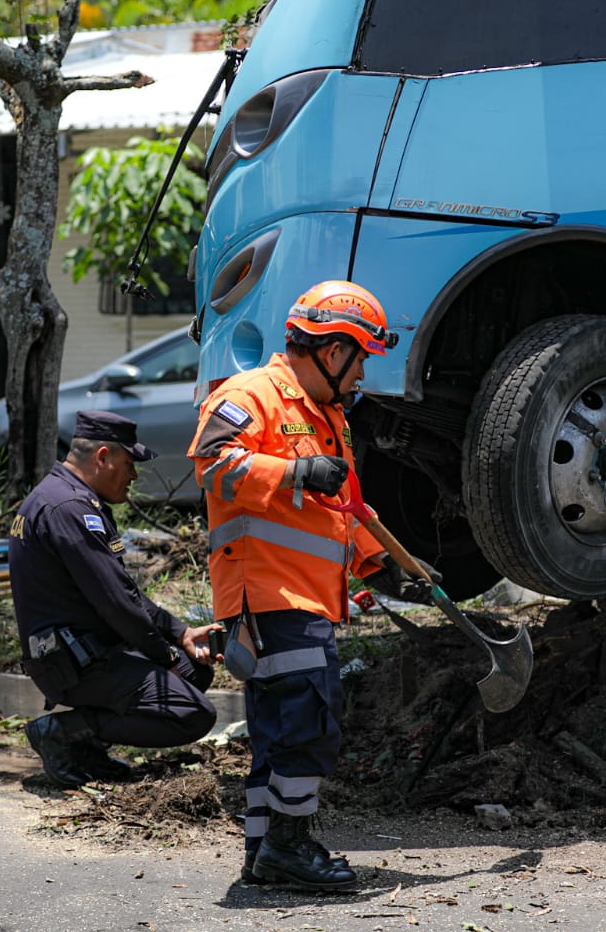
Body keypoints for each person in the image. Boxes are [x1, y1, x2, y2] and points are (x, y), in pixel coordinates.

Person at [187, 280, 441, 892]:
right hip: (270, 593)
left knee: (280, 731)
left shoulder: (327, 418)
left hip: (300, 594)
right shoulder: (254, 394)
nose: (362, 380)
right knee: (309, 722)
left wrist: (382, 563)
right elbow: (212, 463)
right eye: (360, 363)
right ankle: (289, 847)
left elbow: (338, 511)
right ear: (333, 352)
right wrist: (294, 468)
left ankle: (264, 851)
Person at [9, 410, 222, 787]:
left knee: (195, 667)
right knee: (193, 713)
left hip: (88, 653)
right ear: (103, 457)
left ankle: (85, 746)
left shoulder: (68, 499)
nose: (134, 475)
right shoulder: (70, 509)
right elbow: (117, 604)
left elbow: (123, 592)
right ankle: (62, 733)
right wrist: (164, 655)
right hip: (74, 663)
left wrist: (180, 634)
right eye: (129, 464)